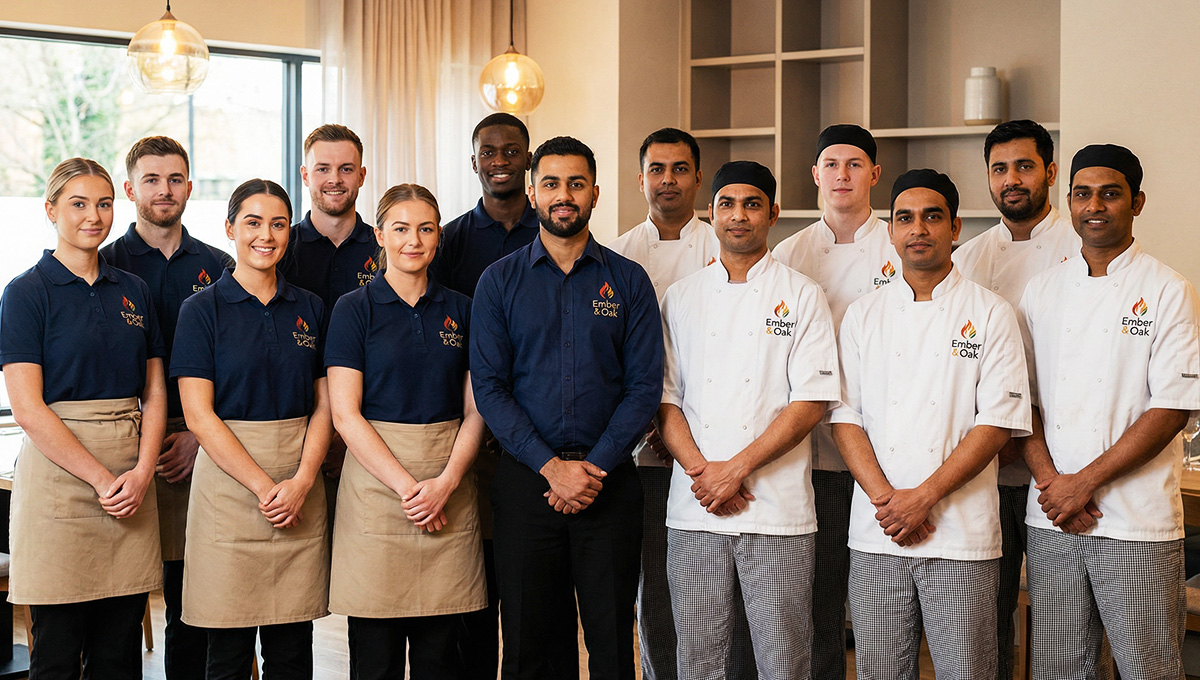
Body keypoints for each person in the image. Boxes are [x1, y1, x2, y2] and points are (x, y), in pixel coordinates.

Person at [470, 136, 664, 680]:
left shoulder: (628, 281)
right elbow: (490, 388)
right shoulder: (498, 282)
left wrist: (592, 469)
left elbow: (644, 387)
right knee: (531, 641)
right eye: (551, 183)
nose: (563, 195)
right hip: (526, 483)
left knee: (609, 640)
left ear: (595, 194)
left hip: (610, 487)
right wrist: (552, 469)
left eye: (576, 184)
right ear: (532, 192)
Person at [830, 169, 1031, 679]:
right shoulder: (862, 315)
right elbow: (845, 417)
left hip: (962, 535)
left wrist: (922, 498)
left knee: (969, 671)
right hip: (878, 533)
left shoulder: (991, 312)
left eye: (932, 217)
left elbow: (999, 422)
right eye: (905, 218)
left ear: (955, 227)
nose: (918, 229)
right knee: (880, 672)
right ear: (891, 231)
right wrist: (887, 500)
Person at [1018, 144, 1200, 679]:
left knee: (1149, 668)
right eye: (1082, 193)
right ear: (1068, 201)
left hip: (1136, 521)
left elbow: (1170, 408)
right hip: (1052, 518)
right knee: (1059, 670)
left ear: (1136, 203)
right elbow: (1020, 402)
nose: (1094, 205)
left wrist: (1083, 484)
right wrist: (1055, 484)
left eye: (1110, 193)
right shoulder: (1041, 290)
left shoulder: (1167, 289)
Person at [658, 160, 839, 680]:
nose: (739, 216)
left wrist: (734, 469)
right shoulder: (681, 297)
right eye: (727, 204)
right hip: (695, 510)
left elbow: (810, 401)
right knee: (697, 656)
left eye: (752, 204)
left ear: (773, 214)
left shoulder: (802, 294)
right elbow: (666, 400)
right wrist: (704, 473)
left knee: (783, 657)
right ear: (710, 213)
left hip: (777, 510)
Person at [0, 157, 165, 678]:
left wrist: (140, 472)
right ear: (50, 210)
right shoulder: (26, 293)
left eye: (103, 203)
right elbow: (28, 408)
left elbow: (155, 392)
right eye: (78, 204)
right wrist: (101, 478)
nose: (93, 216)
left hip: (131, 481)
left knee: (120, 651)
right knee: (57, 651)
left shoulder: (134, 290)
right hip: (59, 482)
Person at [608, 128, 756, 680]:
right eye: (657, 169)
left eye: (679, 169)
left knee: (727, 596)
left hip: (719, 451)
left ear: (698, 177)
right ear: (641, 177)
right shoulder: (619, 253)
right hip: (643, 448)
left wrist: (698, 447)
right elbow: (617, 354)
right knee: (656, 585)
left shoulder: (722, 243)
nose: (667, 179)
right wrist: (645, 424)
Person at [326, 183, 487, 677]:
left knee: (441, 653)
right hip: (376, 491)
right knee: (375, 654)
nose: (413, 240)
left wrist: (446, 484)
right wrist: (408, 489)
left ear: (439, 236)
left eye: (425, 228)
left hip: (450, 485)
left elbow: (476, 410)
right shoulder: (353, 309)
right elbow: (344, 414)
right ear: (380, 235)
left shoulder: (462, 308)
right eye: (400, 228)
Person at [173, 179, 331, 678]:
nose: (267, 235)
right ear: (229, 229)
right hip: (229, 491)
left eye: (279, 224)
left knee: (292, 648)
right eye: (253, 222)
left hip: (299, 485)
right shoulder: (200, 310)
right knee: (227, 651)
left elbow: (325, 405)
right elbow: (199, 415)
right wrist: (267, 488)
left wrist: (302, 481)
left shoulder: (311, 307)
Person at [100, 135, 235, 680]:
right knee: (120, 600)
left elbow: (237, 363)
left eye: (175, 179)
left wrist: (200, 436)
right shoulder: (104, 263)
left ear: (190, 188)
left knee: (192, 598)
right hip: (126, 446)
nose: (164, 189)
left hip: (204, 440)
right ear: (130, 188)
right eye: (151, 180)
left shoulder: (222, 265)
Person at [949, 119, 1079, 680]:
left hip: (1061, 468)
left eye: (1024, 166)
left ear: (1050, 171)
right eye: (999, 169)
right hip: (988, 468)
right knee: (986, 621)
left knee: (1062, 627)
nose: (1011, 180)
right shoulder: (968, 258)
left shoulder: (1083, 247)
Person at [771, 124, 899, 680]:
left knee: (879, 603)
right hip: (813, 453)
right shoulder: (788, 253)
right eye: (831, 164)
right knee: (817, 598)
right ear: (815, 175)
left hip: (887, 452)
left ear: (874, 174)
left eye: (855, 164)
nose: (842, 174)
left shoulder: (905, 241)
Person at [429, 112, 540, 678]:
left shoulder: (552, 228)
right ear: (474, 162)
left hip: (536, 426)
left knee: (522, 586)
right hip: (466, 424)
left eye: (511, 150)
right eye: (488, 152)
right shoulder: (448, 239)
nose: (499, 160)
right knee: (470, 590)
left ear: (528, 157)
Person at [279, 123, 375, 538]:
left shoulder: (389, 248)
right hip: (291, 432)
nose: (334, 180)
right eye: (322, 169)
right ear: (305, 175)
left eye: (346, 169)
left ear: (362, 175)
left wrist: (350, 432)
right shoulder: (276, 249)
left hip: (373, 432)